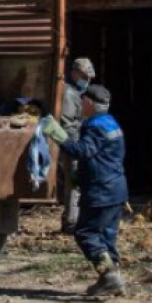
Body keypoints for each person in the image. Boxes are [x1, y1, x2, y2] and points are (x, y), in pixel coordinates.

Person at [41, 84, 128, 297]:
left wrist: (58, 134)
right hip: (116, 189)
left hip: (101, 191)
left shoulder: (95, 125)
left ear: (89, 102)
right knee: (107, 237)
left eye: (83, 101)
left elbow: (82, 151)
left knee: (85, 232)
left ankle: (108, 275)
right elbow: (105, 157)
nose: (80, 105)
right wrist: (81, 176)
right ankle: (113, 280)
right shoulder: (111, 122)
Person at [60, 58, 96, 232]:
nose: (86, 80)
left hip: (80, 143)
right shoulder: (68, 93)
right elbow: (67, 124)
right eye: (83, 76)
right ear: (74, 73)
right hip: (73, 144)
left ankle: (74, 218)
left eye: (88, 77)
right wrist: (78, 146)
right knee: (74, 182)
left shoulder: (80, 91)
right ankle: (71, 221)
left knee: (78, 182)